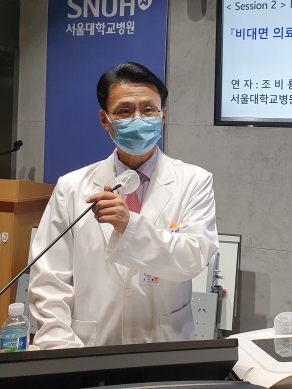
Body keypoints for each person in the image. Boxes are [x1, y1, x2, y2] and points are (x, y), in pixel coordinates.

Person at [28, 62, 218, 349]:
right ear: (105, 120)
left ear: (163, 116)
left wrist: (130, 226)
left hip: (164, 347)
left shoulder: (194, 181)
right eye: (125, 111)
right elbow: (49, 280)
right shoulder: (72, 187)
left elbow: (194, 259)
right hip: (89, 348)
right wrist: (61, 350)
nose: (138, 119)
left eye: (148, 109)